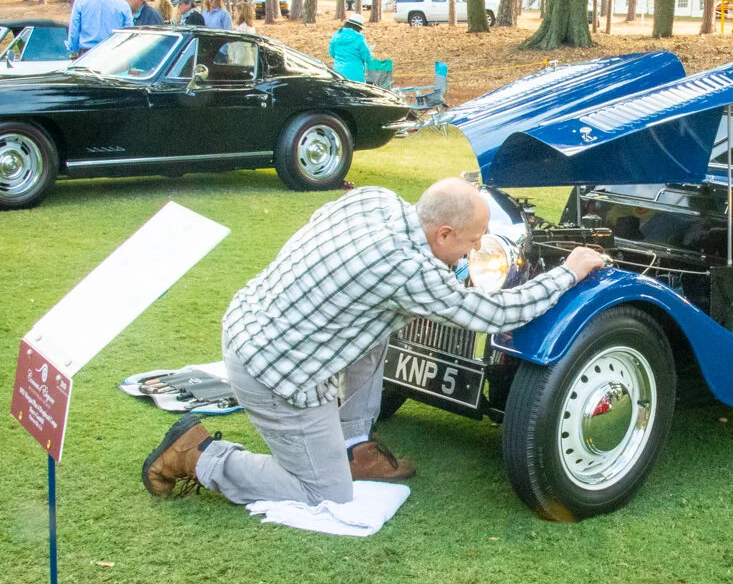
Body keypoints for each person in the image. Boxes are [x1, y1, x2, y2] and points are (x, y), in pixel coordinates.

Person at [142, 180, 606, 506]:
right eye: (472, 239)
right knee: (323, 492)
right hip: (274, 373)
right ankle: (198, 455)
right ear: (442, 232)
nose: (476, 249)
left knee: (378, 322)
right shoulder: (406, 270)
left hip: (251, 320)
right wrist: (571, 270)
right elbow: (495, 313)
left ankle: (355, 444)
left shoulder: (374, 199)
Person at [67, 0, 133, 57]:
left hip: (87, 54)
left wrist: (73, 51)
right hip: (114, 54)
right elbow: (128, 33)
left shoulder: (81, 1)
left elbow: (74, 30)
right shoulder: (123, 5)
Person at [328, 13, 393, 85]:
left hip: (338, 71)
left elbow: (331, 52)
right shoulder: (359, 38)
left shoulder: (336, 35)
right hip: (355, 73)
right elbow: (366, 56)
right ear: (358, 27)